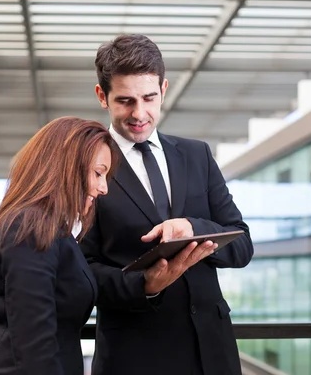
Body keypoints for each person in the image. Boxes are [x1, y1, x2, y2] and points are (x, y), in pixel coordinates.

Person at [80, 34, 254, 375]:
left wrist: (192, 228)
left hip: (211, 352)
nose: (140, 113)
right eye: (125, 101)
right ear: (102, 96)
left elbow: (242, 244)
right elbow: (81, 269)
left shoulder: (196, 155)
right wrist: (144, 285)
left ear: (164, 88)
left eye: (149, 97)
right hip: (134, 355)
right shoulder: (87, 166)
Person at [0, 116, 120, 375]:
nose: (104, 188)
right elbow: (34, 344)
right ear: (65, 167)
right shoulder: (31, 228)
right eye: (98, 173)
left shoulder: (45, 228)